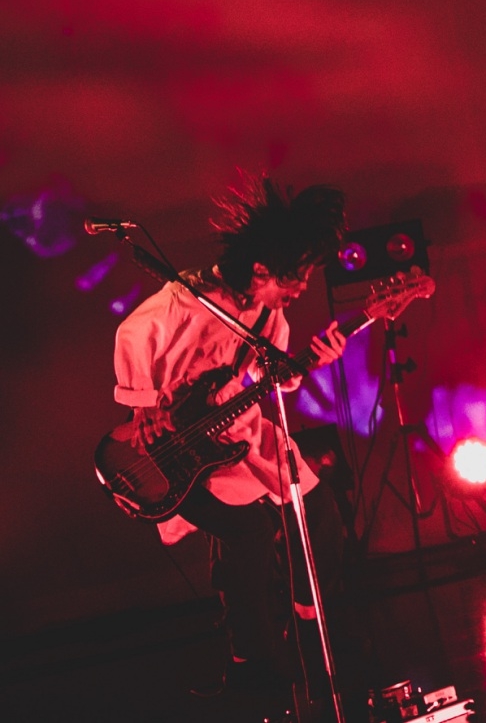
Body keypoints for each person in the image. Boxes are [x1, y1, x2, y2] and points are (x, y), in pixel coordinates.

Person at [111, 176, 354, 698]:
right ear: (260, 270)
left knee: (319, 513)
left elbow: (275, 374)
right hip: (177, 446)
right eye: (295, 277)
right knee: (245, 535)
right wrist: (144, 404)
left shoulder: (268, 310)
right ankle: (252, 664)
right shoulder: (184, 301)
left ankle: (306, 625)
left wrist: (310, 362)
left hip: (238, 430)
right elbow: (131, 334)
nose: (302, 288)